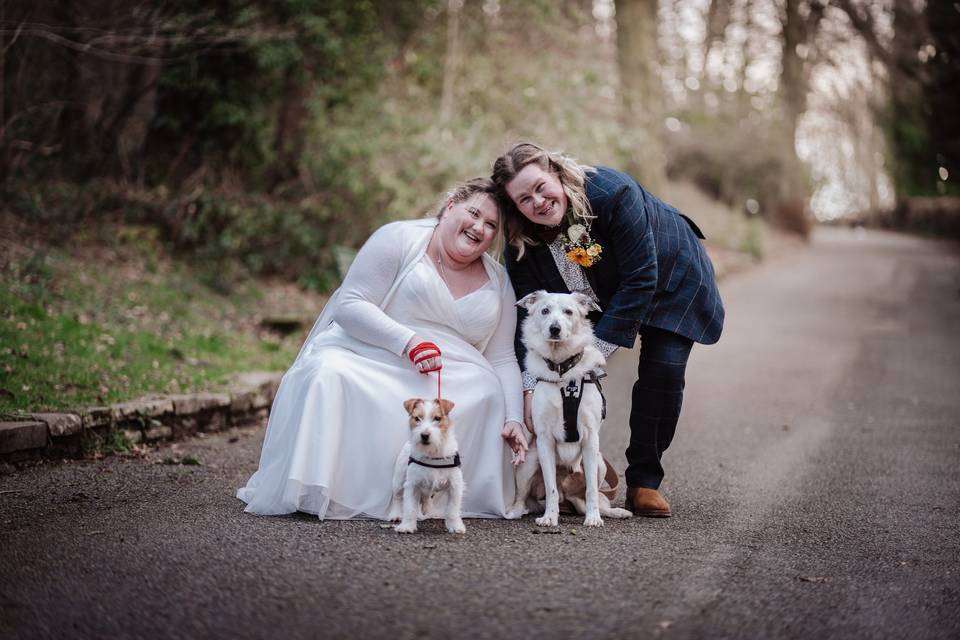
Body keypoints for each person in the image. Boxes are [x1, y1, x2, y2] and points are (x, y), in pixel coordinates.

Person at [237, 178, 529, 520]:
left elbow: (503, 358)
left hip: (455, 371)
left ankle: (447, 499)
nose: (479, 227)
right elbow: (351, 304)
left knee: (487, 393)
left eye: (491, 224)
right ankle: (326, 490)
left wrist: (514, 419)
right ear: (451, 206)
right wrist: (407, 342)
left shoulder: (499, 281)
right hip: (373, 351)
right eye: (474, 213)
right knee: (328, 373)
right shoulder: (399, 239)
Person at [491, 142, 724, 517]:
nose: (538, 201)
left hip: (669, 278)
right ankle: (574, 470)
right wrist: (531, 386)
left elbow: (640, 278)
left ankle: (644, 482)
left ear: (554, 172)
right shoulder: (522, 245)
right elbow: (527, 320)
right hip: (598, 291)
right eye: (524, 199)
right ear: (514, 208)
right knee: (569, 377)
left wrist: (588, 358)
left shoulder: (614, 193)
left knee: (662, 371)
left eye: (540, 187)